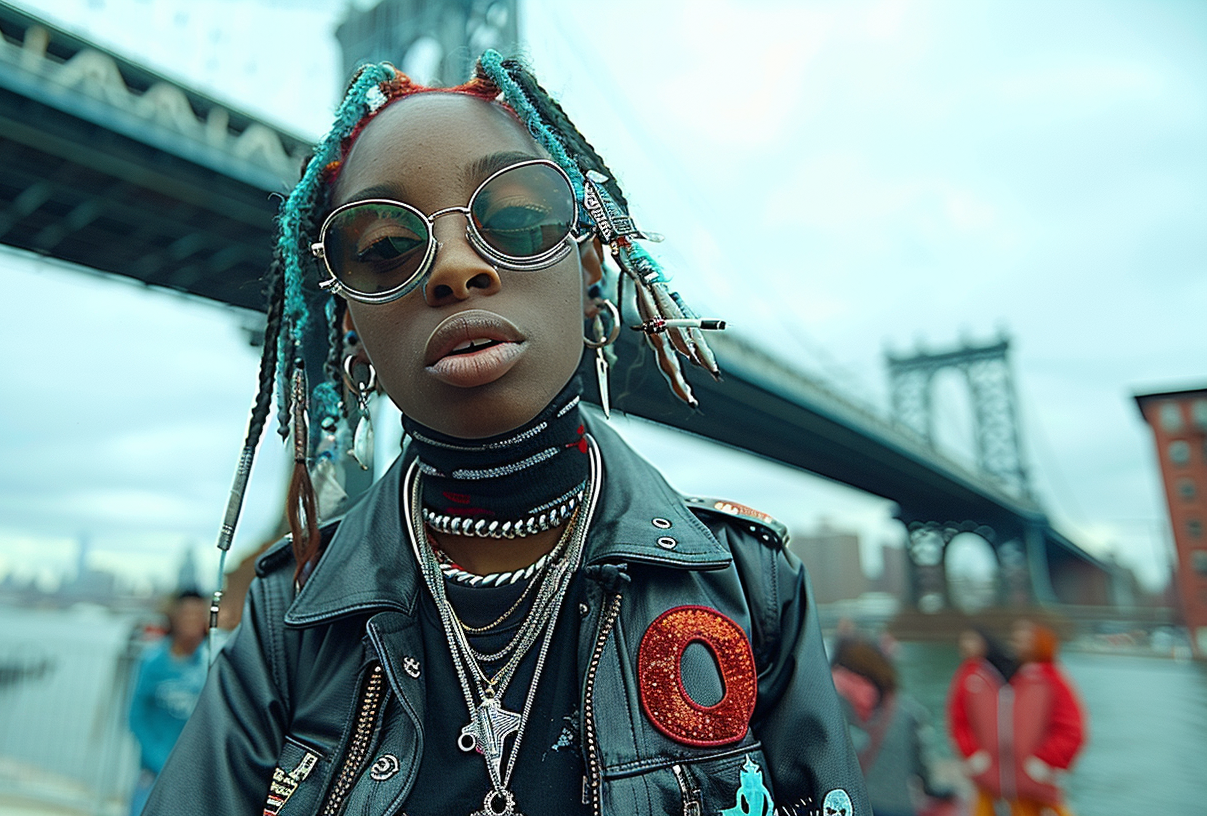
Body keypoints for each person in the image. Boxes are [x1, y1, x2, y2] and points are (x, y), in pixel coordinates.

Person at [144, 52, 867, 816]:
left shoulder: (752, 586)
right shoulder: (288, 622)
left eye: (518, 218)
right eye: (386, 247)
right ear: (349, 322)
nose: (454, 268)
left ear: (591, 264)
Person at [946, 622, 1084, 816]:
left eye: (1024, 639)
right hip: (1006, 777)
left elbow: (1071, 728)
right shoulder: (1012, 679)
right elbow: (959, 721)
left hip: (1033, 775)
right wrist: (973, 755)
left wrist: (1047, 761)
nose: (1016, 644)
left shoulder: (1049, 679)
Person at [832, 639, 953, 816]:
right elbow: (921, 764)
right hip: (897, 805)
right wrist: (933, 789)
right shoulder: (905, 709)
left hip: (851, 804)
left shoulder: (831, 703)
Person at [127, 589, 210, 815]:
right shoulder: (153, 661)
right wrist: (159, 760)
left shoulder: (211, 663)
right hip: (154, 771)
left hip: (194, 775)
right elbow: (136, 716)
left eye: (197, 615)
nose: (192, 621)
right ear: (174, 616)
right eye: (186, 614)